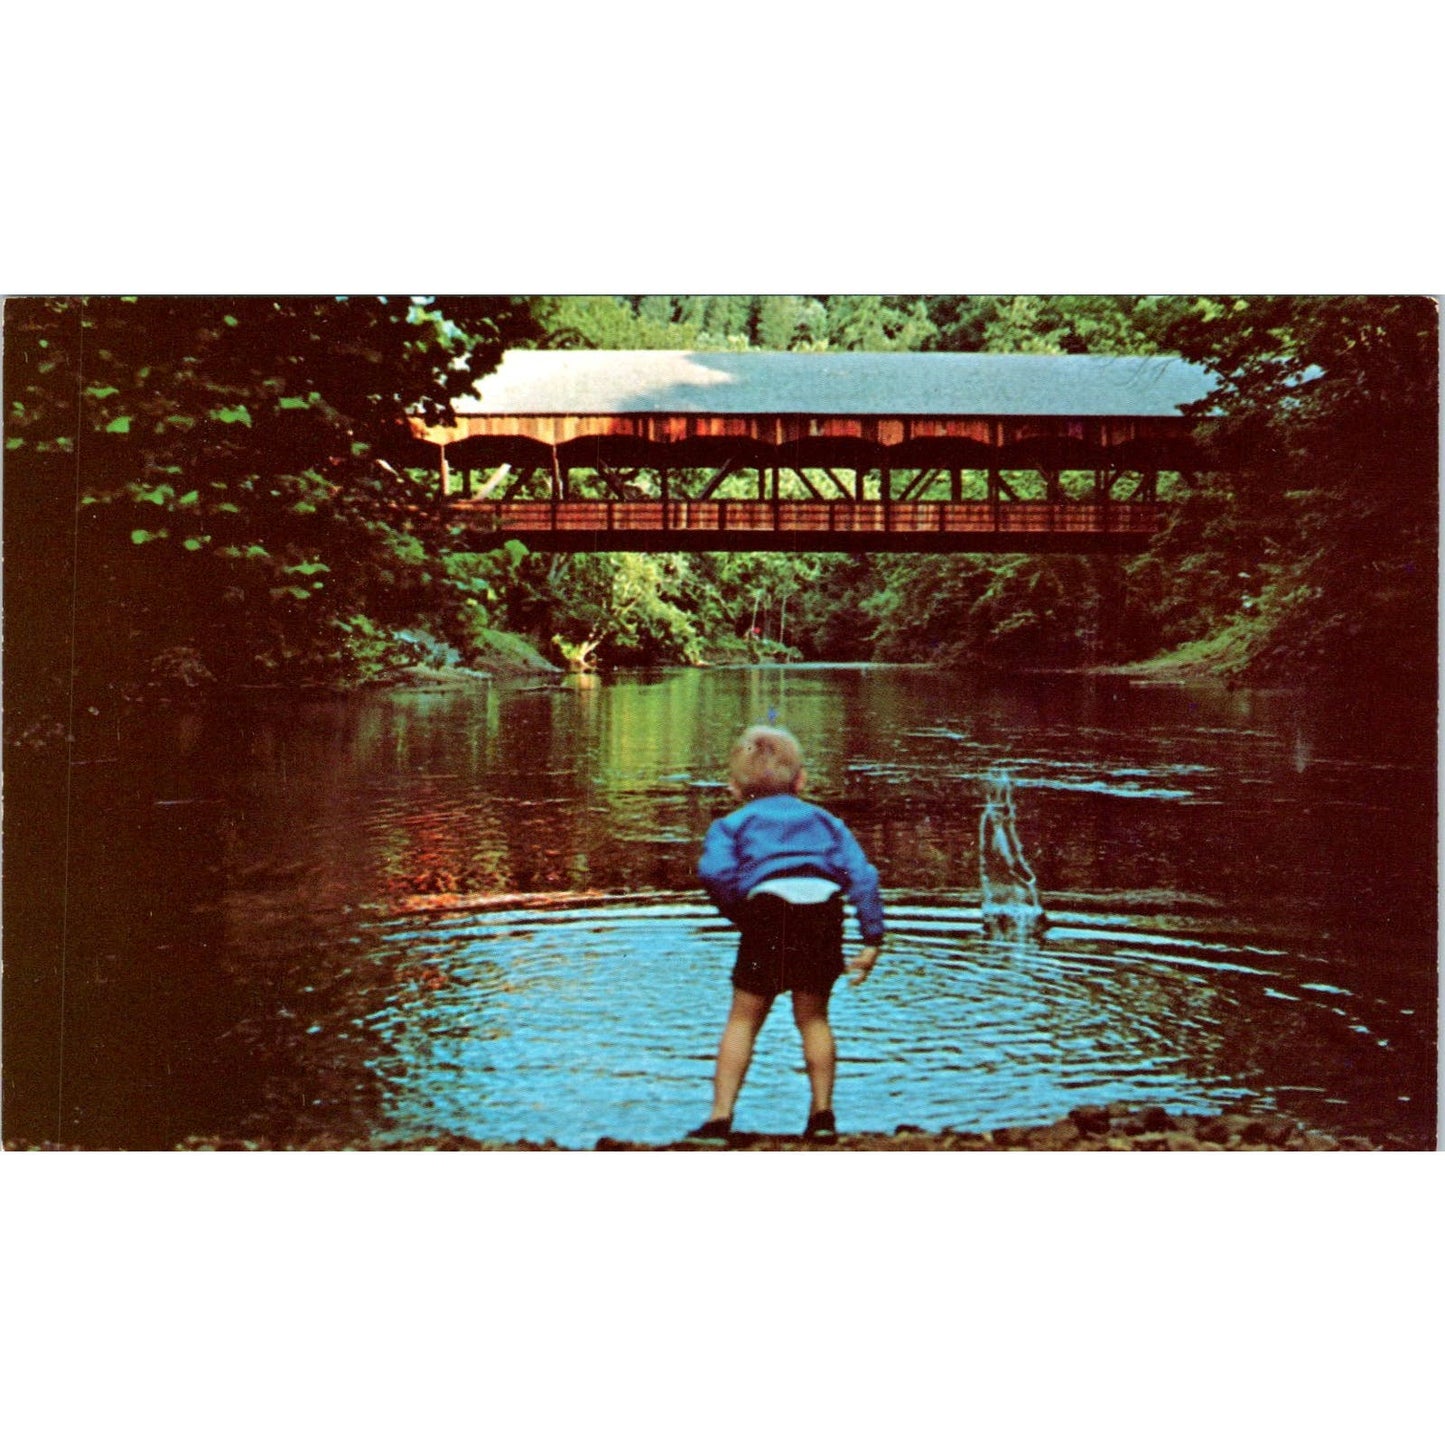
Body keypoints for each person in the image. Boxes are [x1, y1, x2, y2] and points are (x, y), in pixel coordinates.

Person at [690, 725, 885, 1145]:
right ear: (802, 781)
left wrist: (741, 912)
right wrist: (872, 938)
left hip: (767, 910)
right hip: (822, 912)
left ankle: (719, 1119)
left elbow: (714, 874)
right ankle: (822, 1116)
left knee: (744, 1018)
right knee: (813, 1018)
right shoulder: (827, 823)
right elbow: (863, 878)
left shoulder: (731, 824)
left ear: (734, 787)